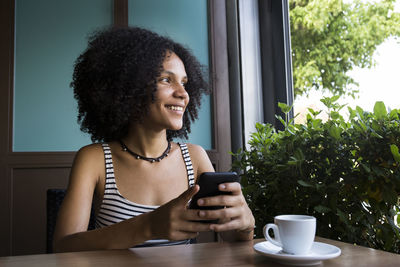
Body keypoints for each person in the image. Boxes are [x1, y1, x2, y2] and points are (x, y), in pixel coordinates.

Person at [53, 26, 255, 252]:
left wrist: (245, 225)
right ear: (131, 86)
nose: (183, 93)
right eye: (166, 80)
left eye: (184, 83)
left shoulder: (195, 157)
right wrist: (148, 226)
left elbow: (234, 238)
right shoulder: (94, 159)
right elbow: (63, 247)